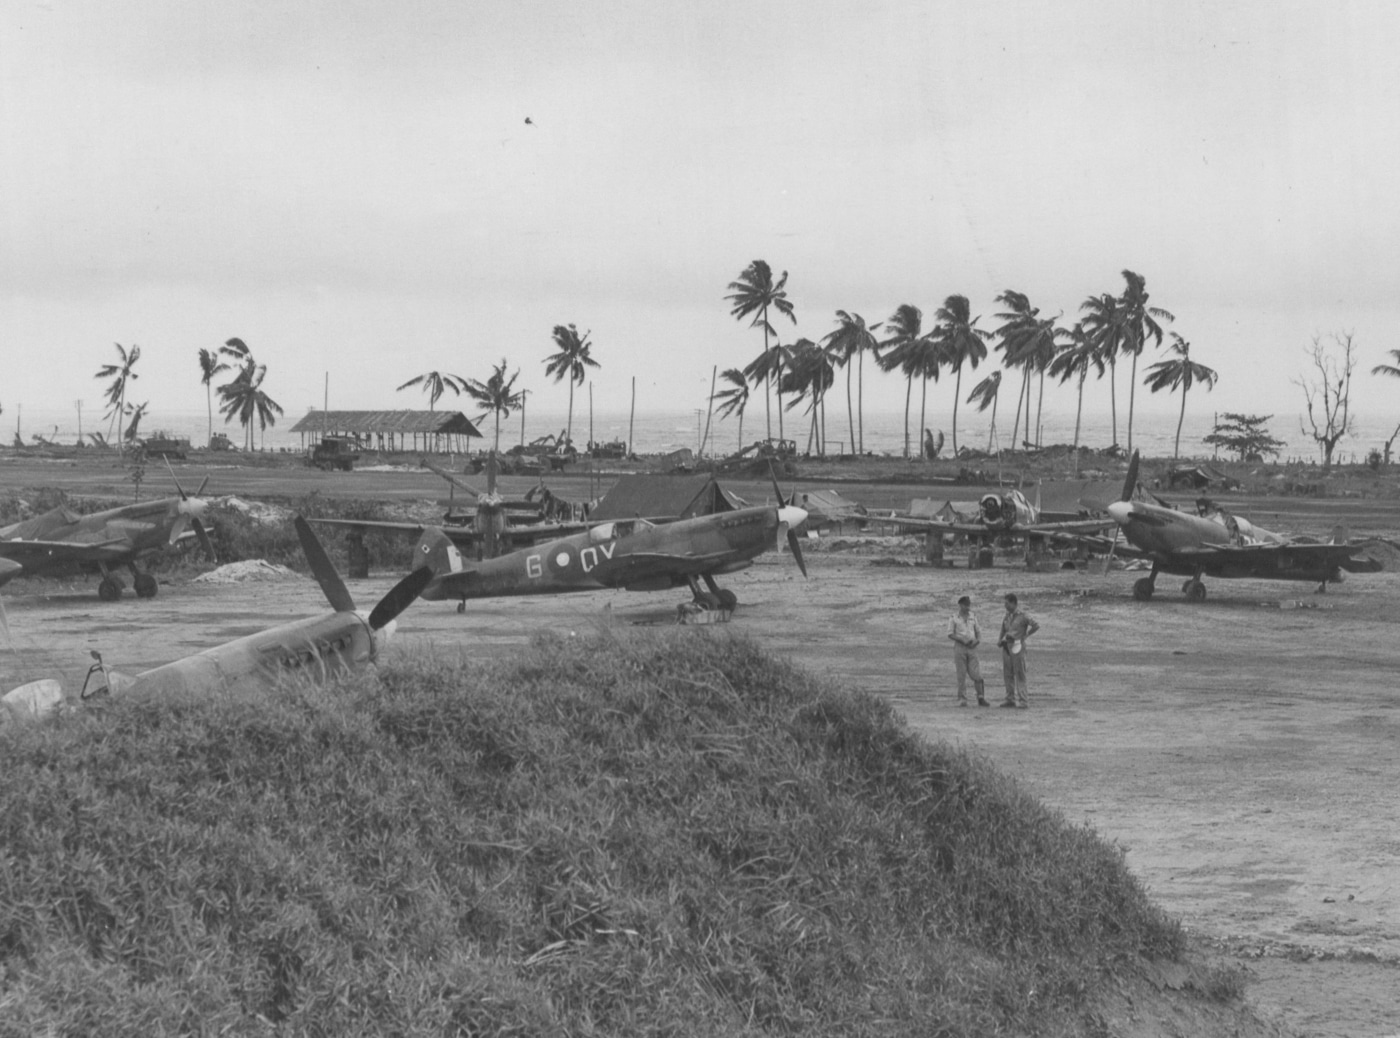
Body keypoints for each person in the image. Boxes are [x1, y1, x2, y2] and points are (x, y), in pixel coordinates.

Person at [997, 593, 1040, 709]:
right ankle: (1010, 699)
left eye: (1007, 603)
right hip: (1007, 646)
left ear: (1013, 603)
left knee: (1020, 673)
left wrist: (1025, 636)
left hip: (1017, 645)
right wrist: (1000, 640)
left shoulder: (1023, 615)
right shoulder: (1007, 616)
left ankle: (1023, 700)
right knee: (1008, 674)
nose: (1005, 606)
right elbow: (1003, 629)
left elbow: (1036, 625)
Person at [947, 595, 988, 707]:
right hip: (960, 647)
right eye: (966, 605)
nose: (968, 608)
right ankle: (962, 698)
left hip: (972, 647)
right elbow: (950, 634)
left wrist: (977, 641)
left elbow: (978, 632)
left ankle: (980, 697)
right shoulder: (953, 617)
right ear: (960, 605)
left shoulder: (973, 616)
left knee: (977, 674)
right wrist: (961, 640)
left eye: (968, 605)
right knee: (961, 674)